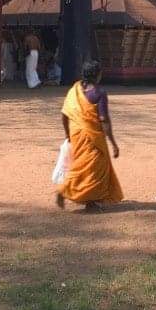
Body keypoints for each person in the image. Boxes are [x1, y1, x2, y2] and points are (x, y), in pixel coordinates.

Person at [56, 60, 123, 211]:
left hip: (76, 133)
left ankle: (69, 190)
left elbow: (64, 114)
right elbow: (104, 119)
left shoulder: (75, 90)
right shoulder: (99, 93)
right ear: (98, 75)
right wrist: (113, 143)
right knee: (93, 167)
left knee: (80, 164)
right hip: (92, 136)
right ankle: (87, 201)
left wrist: (68, 134)